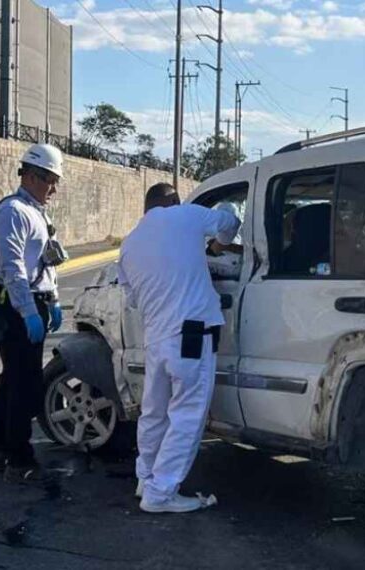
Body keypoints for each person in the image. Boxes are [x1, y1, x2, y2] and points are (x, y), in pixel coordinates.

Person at [118, 182, 240, 514]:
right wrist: (226, 220)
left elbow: (131, 298)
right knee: (186, 416)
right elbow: (229, 226)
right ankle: (162, 493)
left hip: (156, 339)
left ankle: (146, 479)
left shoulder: (129, 245)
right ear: (173, 201)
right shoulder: (186, 215)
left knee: (154, 413)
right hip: (191, 336)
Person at [0, 144, 67, 484]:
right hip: (17, 305)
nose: (54, 188)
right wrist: (29, 311)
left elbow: (45, 260)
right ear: (32, 176)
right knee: (24, 384)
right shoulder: (13, 212)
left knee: (13, 378)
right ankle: (18, 457)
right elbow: (13, 268)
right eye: (50, 180)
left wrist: (54, 299)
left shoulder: (37, 212)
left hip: (36, 302)